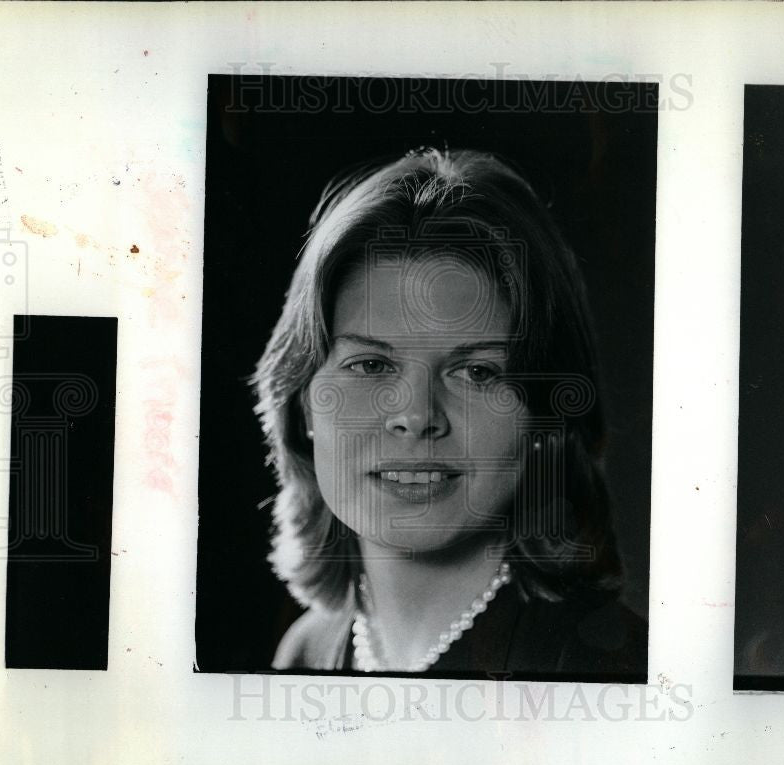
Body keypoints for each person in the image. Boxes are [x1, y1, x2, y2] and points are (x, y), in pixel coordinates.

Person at [253, 147, 646, 677]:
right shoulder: (304, 655)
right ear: (303, 403)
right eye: (370, 365)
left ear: (542, 417)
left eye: (478, 372)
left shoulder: (609, 671)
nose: (416, 416)